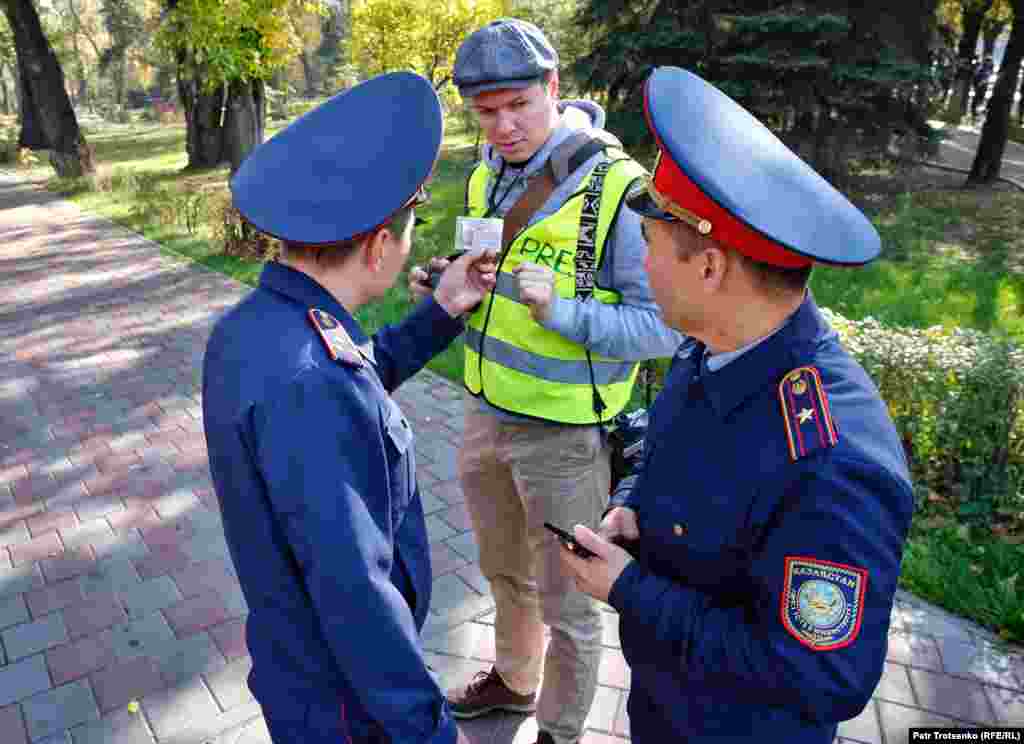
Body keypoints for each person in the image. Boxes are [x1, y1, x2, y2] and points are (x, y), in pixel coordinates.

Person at [558, 66, 915, 743]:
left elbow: (821, 678)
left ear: (711, 267)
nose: (643, 260)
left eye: (651, 242)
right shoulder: (713, 345)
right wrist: (633, 504)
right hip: (665, 706)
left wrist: (631, 591)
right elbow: (672, 458)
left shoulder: (834, 463)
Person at [408, 18, 683, 744]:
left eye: (518, 106)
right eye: (486, 112)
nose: (502, 126)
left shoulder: (619, 187)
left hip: (565, 437)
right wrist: (447, 285)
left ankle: (560, 733)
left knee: (571, 606)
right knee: (504, 571)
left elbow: (664, 328)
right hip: (483, 412)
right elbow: (490, 277)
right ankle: (514, 682)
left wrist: (562, 311)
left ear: (554, 89)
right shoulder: (484, 173)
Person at [202, 71, 497, 744]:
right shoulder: (309, 379)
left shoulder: (258, 327)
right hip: (347, 706)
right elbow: (355, 594)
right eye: (410, 226)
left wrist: (443, 308)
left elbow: (354, 377)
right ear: (376, 247)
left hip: (306, 674)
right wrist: (430, 731)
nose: (412, 241)